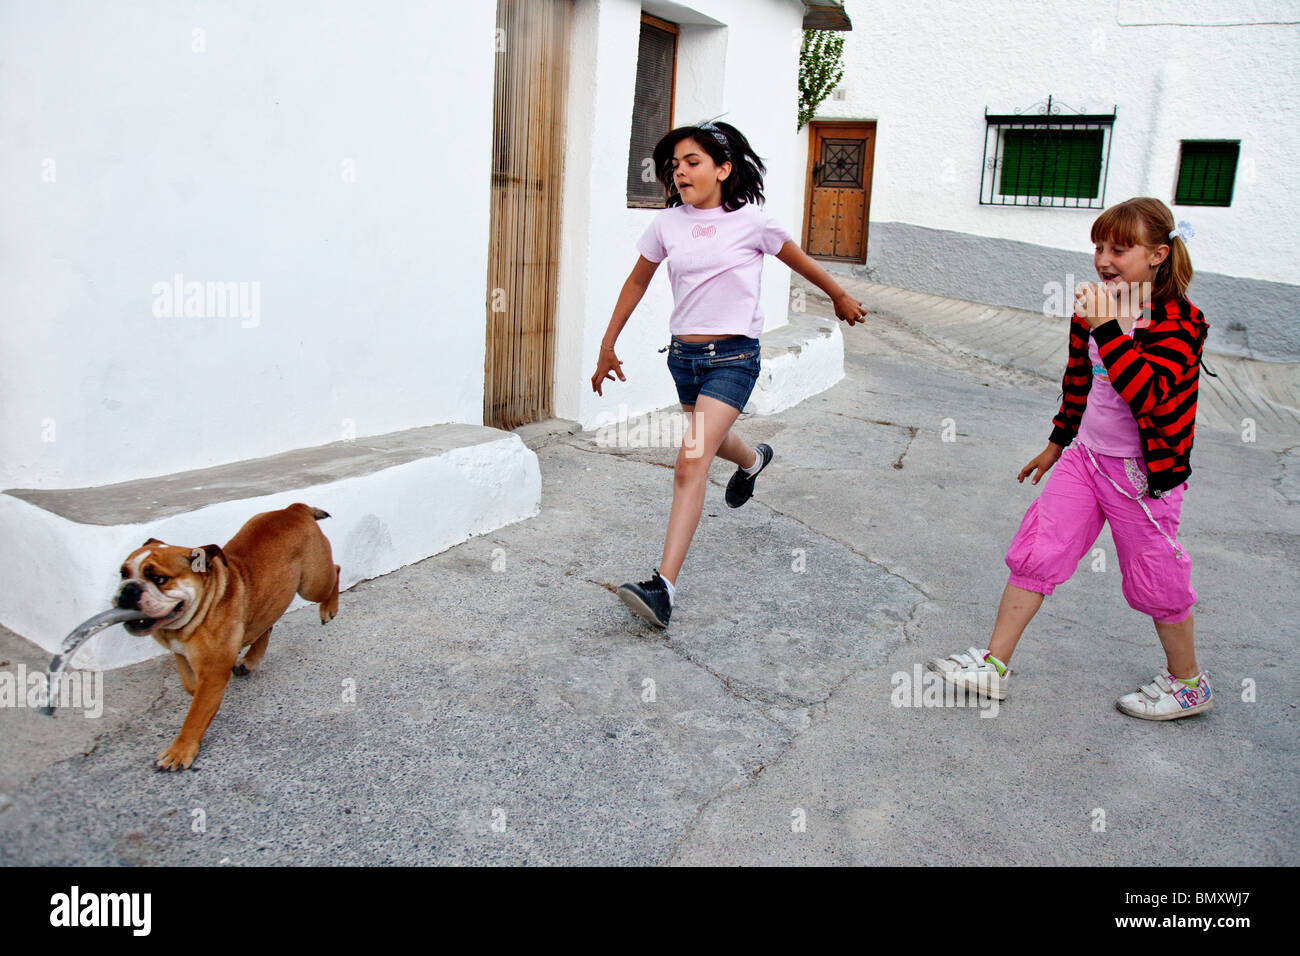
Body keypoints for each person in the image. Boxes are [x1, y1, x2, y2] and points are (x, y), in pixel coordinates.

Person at [928, 197, 1213, 720]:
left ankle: (1188, 683)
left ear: (1156, 255)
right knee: (1038, 548)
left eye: (1119, 249)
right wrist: (1056, 444)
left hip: (1142, 475)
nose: (1104, 259)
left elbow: (1147, 394)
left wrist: (1107, 326)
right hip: (1087, 458)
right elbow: (1079, 383)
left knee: (1156, 576)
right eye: (1099, 247)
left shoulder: (1180, 322)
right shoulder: (1096, 308)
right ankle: (993, 665)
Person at [590, 120, 866, 629]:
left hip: (735, 357)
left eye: (692, 162)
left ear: (723, 168)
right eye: (674, 165)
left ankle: (663, 588)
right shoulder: (666, 225)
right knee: (713, 443)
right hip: (684, 359)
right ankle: (755, 460)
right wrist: (608, 344)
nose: (680, 172)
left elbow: (798, 260)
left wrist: (839, 294)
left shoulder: (752, 222)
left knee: (689, 462)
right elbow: (635, 281)